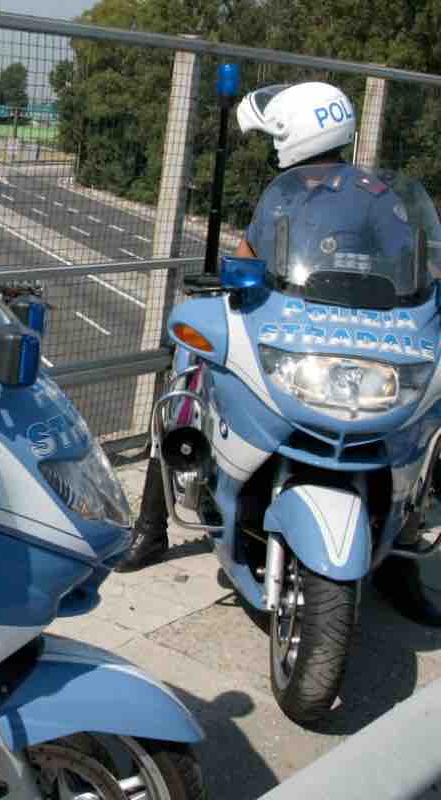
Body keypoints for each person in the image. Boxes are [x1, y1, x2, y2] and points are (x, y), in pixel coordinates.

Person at [118, 81, 359, 571]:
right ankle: (153, 523)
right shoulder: (288, 196)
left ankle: (401, 549)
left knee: (413, 426)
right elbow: (246, 257)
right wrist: (230, 281)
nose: (274, 148)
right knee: (187, 377)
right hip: (288, 328)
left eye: (278, 136)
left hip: (336, 337)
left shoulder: (362, 199)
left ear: (301, 134)